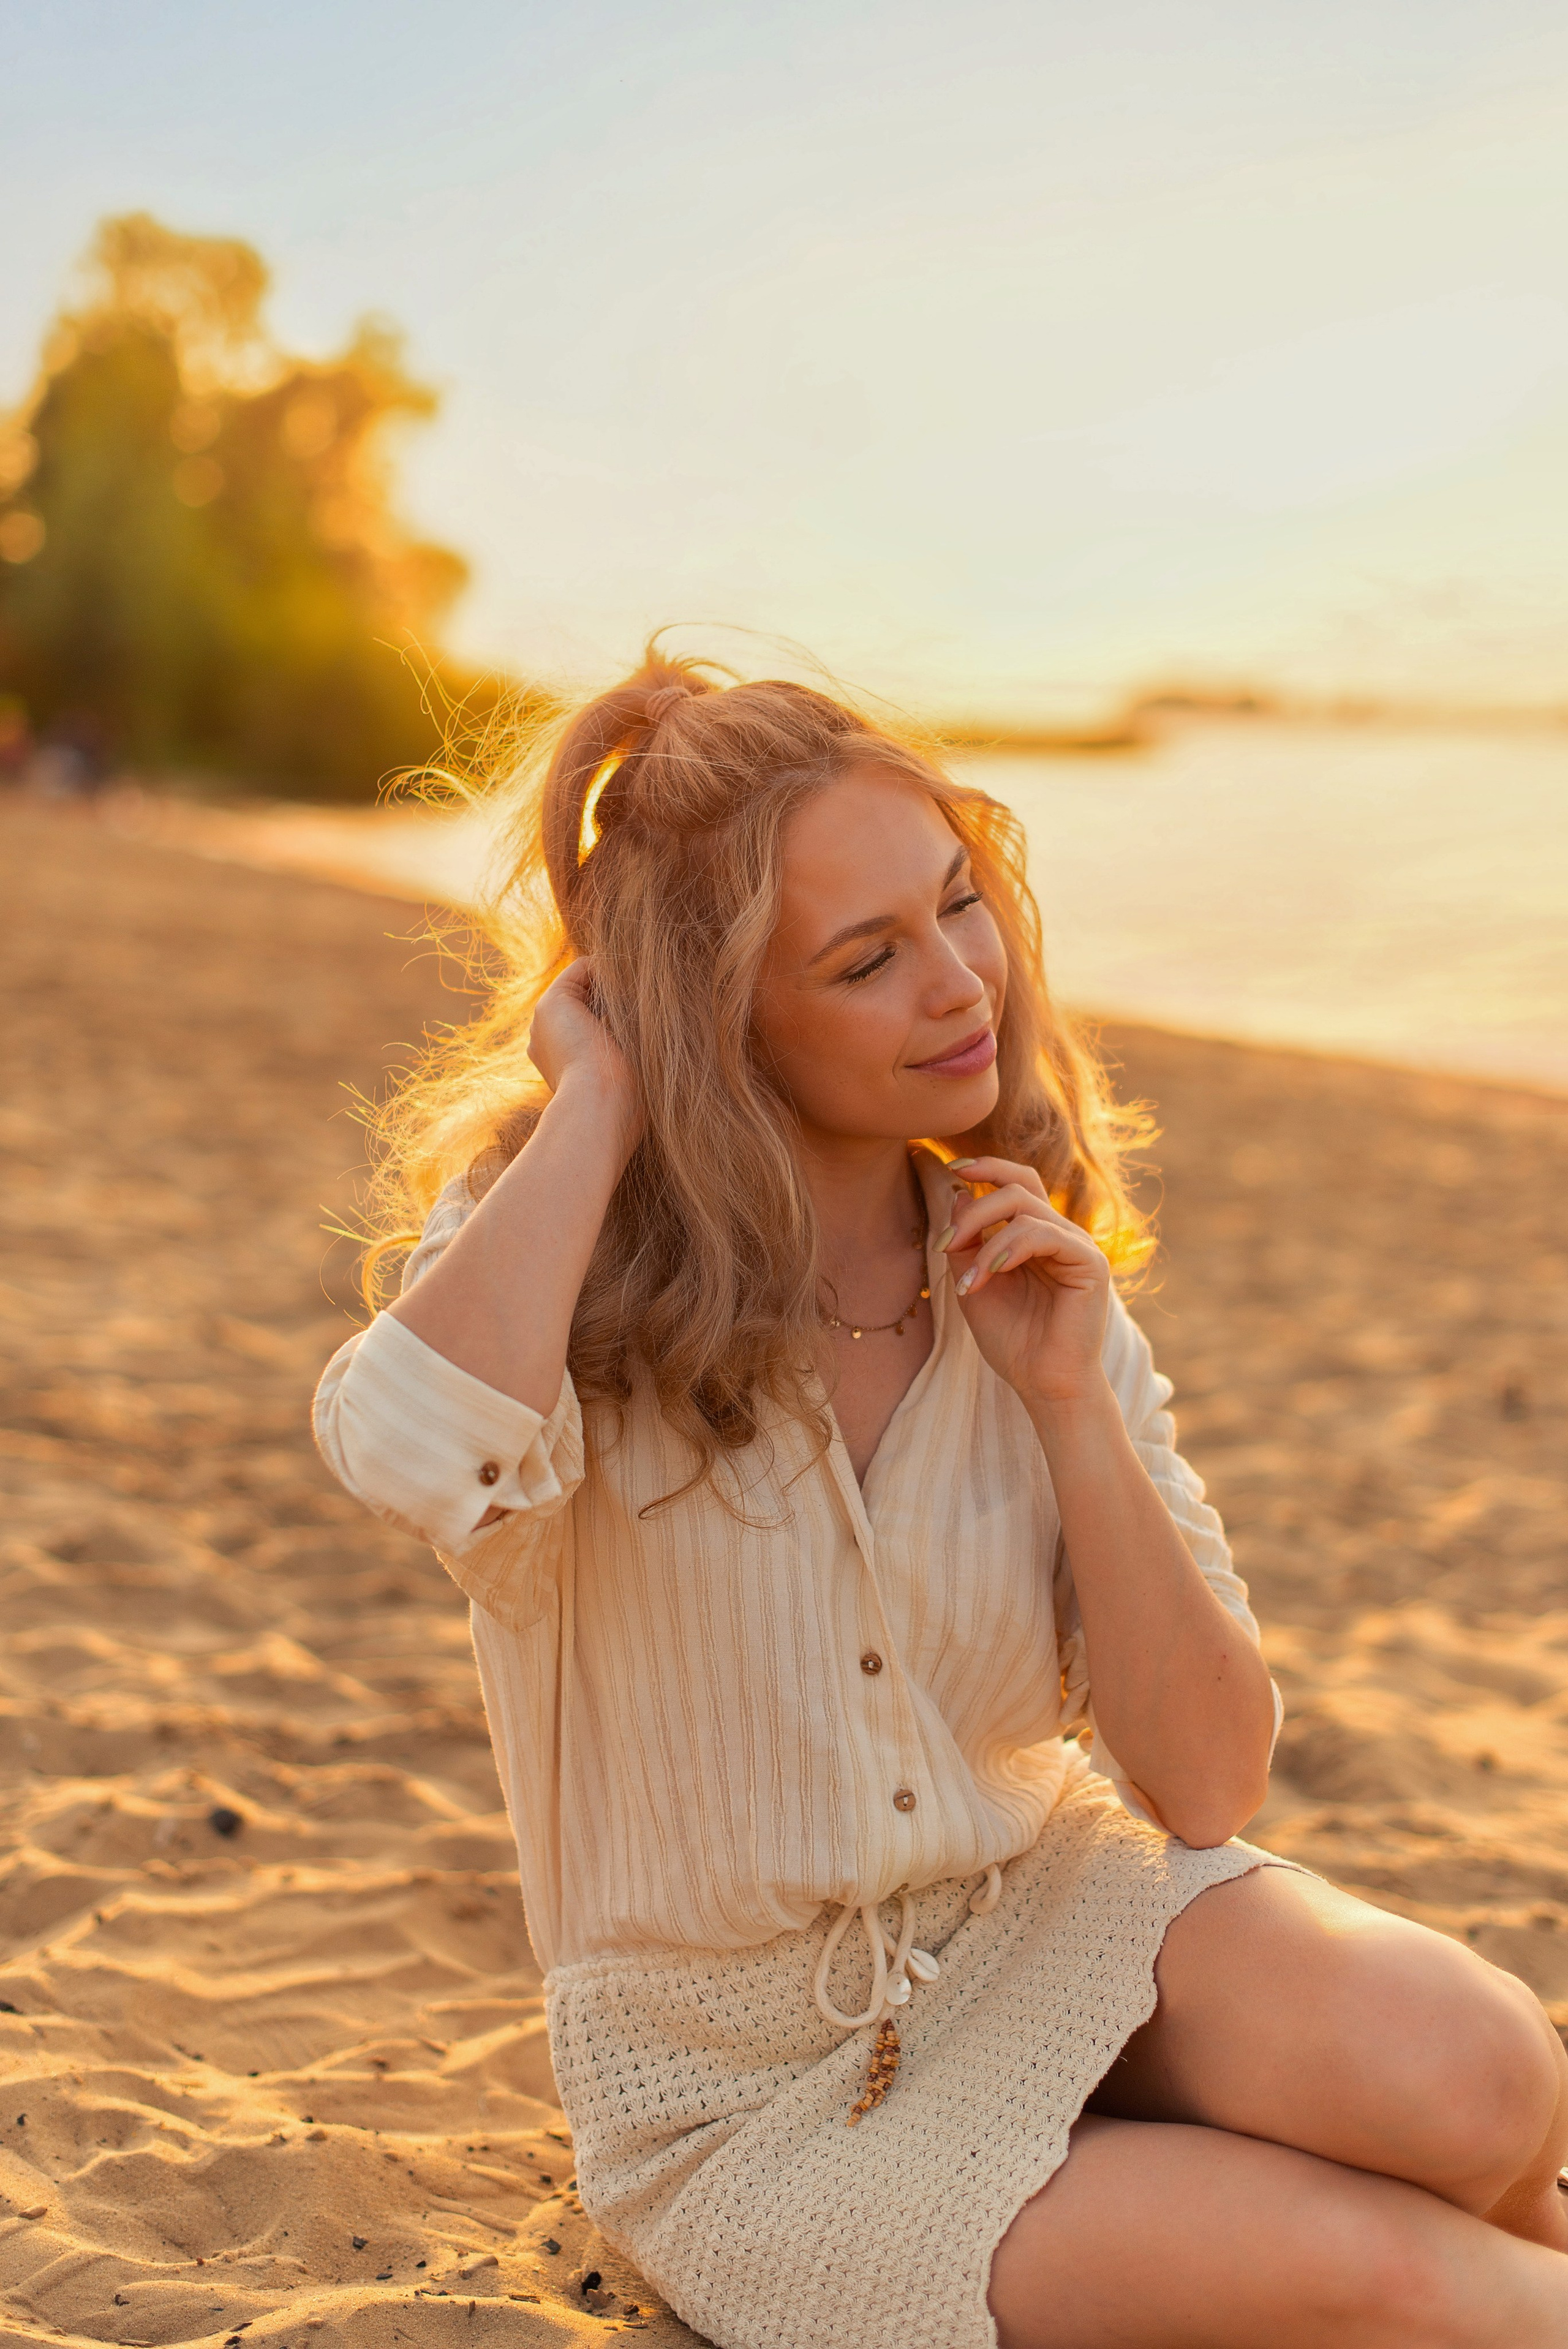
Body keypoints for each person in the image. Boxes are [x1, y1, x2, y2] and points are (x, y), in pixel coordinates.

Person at [314, 652, 1568, 2349]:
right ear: (727, 1016)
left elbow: (1206, 1778)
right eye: (868, 957)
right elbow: (395, 1450)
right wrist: (602, 1097)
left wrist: (1068, 1406)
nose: (961, 982)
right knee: (1406, 2279)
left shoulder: (1018, 1259)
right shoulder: (569, 1274)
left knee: (1489, 2085)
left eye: (961, 902)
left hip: (1039, 1907)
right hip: (750, 2093)